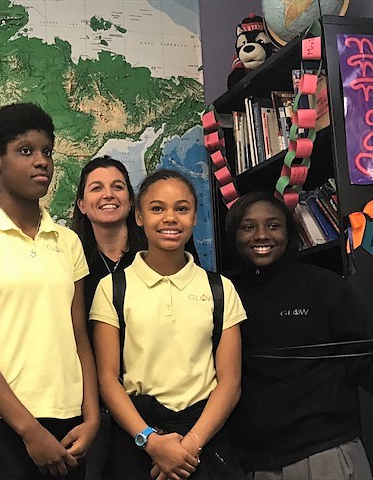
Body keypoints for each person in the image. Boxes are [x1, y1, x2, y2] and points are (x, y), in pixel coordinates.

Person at [0, 102, 99, 479]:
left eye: (46, 151)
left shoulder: (68, 240)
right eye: (25, 152)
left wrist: (91, 418)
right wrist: (29, 430)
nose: (41, 161)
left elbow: (79, 338)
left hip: (69, 425)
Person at [90, 168, 246, 480]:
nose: (170, 218)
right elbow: (107, 379)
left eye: (182, 209)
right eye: (157, 208)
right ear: (139, 216)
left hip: (204, 438)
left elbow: (230, 382)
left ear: (194, 216)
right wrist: (152, 442)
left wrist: (189, 447)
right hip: (137, 437)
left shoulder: (220, 289)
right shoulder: (113, 288)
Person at [71, 156, 204, 479]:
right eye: (97, 188)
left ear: (132, 204)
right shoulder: (72, 261)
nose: (108, 195)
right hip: (90, 407)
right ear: (82, 204)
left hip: (162, 410)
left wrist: (161, 443)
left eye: (118, 187)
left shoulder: (164, 249)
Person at [225, 191, 373, 480]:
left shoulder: (325, 286)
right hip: (252, 461)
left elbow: (364, 362)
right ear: (234, 234)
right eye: (248, 226)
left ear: (289, 232)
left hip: (326, 454)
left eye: (273, 225)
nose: (261, 235)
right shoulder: (223, 293)